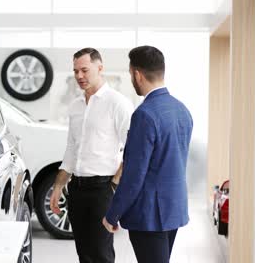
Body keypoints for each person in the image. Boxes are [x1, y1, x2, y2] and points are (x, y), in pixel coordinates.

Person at [102, 45, 193, 263]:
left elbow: (134, 175)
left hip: (150, 214)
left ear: (137, 74)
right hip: (173, 207)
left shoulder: (144, 114)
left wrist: (112, 214)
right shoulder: (182, 110)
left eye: (131, 74)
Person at [50, 47, 134, 263]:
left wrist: (113, 186)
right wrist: (59, 186)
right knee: (84, 253)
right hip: (77, 189)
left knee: (101, 254)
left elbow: (133, 150)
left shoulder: (118, 104)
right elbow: (71, 148)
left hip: (102, 190)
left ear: (100, 68)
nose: (79, 76)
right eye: (76, 71)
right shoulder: (76, 106)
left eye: (84, 70)